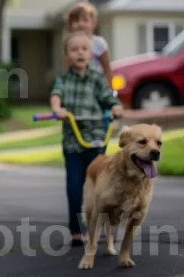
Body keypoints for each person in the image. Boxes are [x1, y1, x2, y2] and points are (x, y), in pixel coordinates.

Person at [50, 31, 124, 247]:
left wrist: (115, 106)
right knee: (74, 187)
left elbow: (107, 97)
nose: (79, 53)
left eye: (84, 49)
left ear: (91, 53)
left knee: (100, 187)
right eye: (74, 50)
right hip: (74, 142)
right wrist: (57, 108)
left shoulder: (96, 78)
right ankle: (76, 230)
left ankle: (100, 224)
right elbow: (56, 94)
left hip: (95, 140)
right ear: (67, 55)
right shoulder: (63, 79)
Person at [64, 1, 113, 86]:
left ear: (93, 23)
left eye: (85, 20)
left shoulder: (99, 43)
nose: (80, 24)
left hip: (96, 86)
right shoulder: (69, 44)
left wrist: (110, 90)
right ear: (70, 24)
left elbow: (107, 69)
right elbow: (66, 68)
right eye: (76, 20)